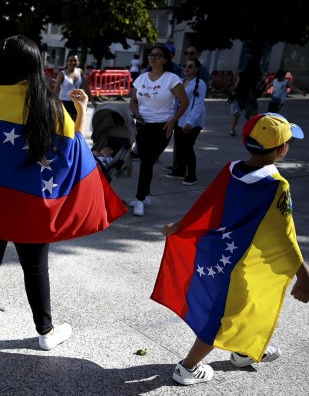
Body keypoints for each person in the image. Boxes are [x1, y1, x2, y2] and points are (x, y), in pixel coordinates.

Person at [0, 35, 126, 351]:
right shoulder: (49, 106)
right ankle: (46, 333)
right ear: (35, 66)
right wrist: (81, 110)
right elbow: (73, 152)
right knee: (36, 268)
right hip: (32, 204)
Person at [153, 113, 309, 386]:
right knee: (223, 314)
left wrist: (180, 224)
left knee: (244, 302)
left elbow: (206, 203)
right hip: (239, 260)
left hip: (219, 253)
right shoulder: (276, 185)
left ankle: (241, 351)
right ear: (282, 149)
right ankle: (187, 367)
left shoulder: (230, 168)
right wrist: (304, 274)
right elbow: (285, 234)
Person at [128, 44, 189, 217]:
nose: (153, 57)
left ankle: (141, 198)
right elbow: (133, 101)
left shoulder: (172, 78)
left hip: (163, 126)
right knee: (146, 161)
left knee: (148, 161)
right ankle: (144, 196)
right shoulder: (141, 78)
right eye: (151, 54)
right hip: (143, 125)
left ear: (165, 59)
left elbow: (184, 102)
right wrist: (137, 113)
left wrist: (173, 121)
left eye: (158, 55)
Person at [166, 58, 207, 186]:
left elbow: (198, 105)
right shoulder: (182, 82)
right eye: (185, 65)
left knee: (188, 148)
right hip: (179, 119)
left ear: (196, 69)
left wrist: (190, 121)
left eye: (190, 66)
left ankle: (192, 175)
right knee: (179, 146)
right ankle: (180, 170)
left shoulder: (200, 84)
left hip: (192, 122)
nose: (187, 68)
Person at [53, 53, 96, 120]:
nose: (73, 62)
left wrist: (93, 101)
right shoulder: (62, 74)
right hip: (65, 103)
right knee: (66, 126)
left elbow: (85, 87)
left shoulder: (80, 71)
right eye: (70, 60)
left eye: (75, 60)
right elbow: (56, 89)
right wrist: (52, 103)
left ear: (78, 62)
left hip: (77, 102)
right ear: (67, 62)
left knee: (76, 126)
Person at [229, 56, 262, 136]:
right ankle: (253, 131)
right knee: (254, 116)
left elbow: (236, 86)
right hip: (251, 98)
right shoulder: (258, 74)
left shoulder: (242, 73)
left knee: (237, 115)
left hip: (240, 96)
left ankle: (232, 130)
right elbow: (260, 86)